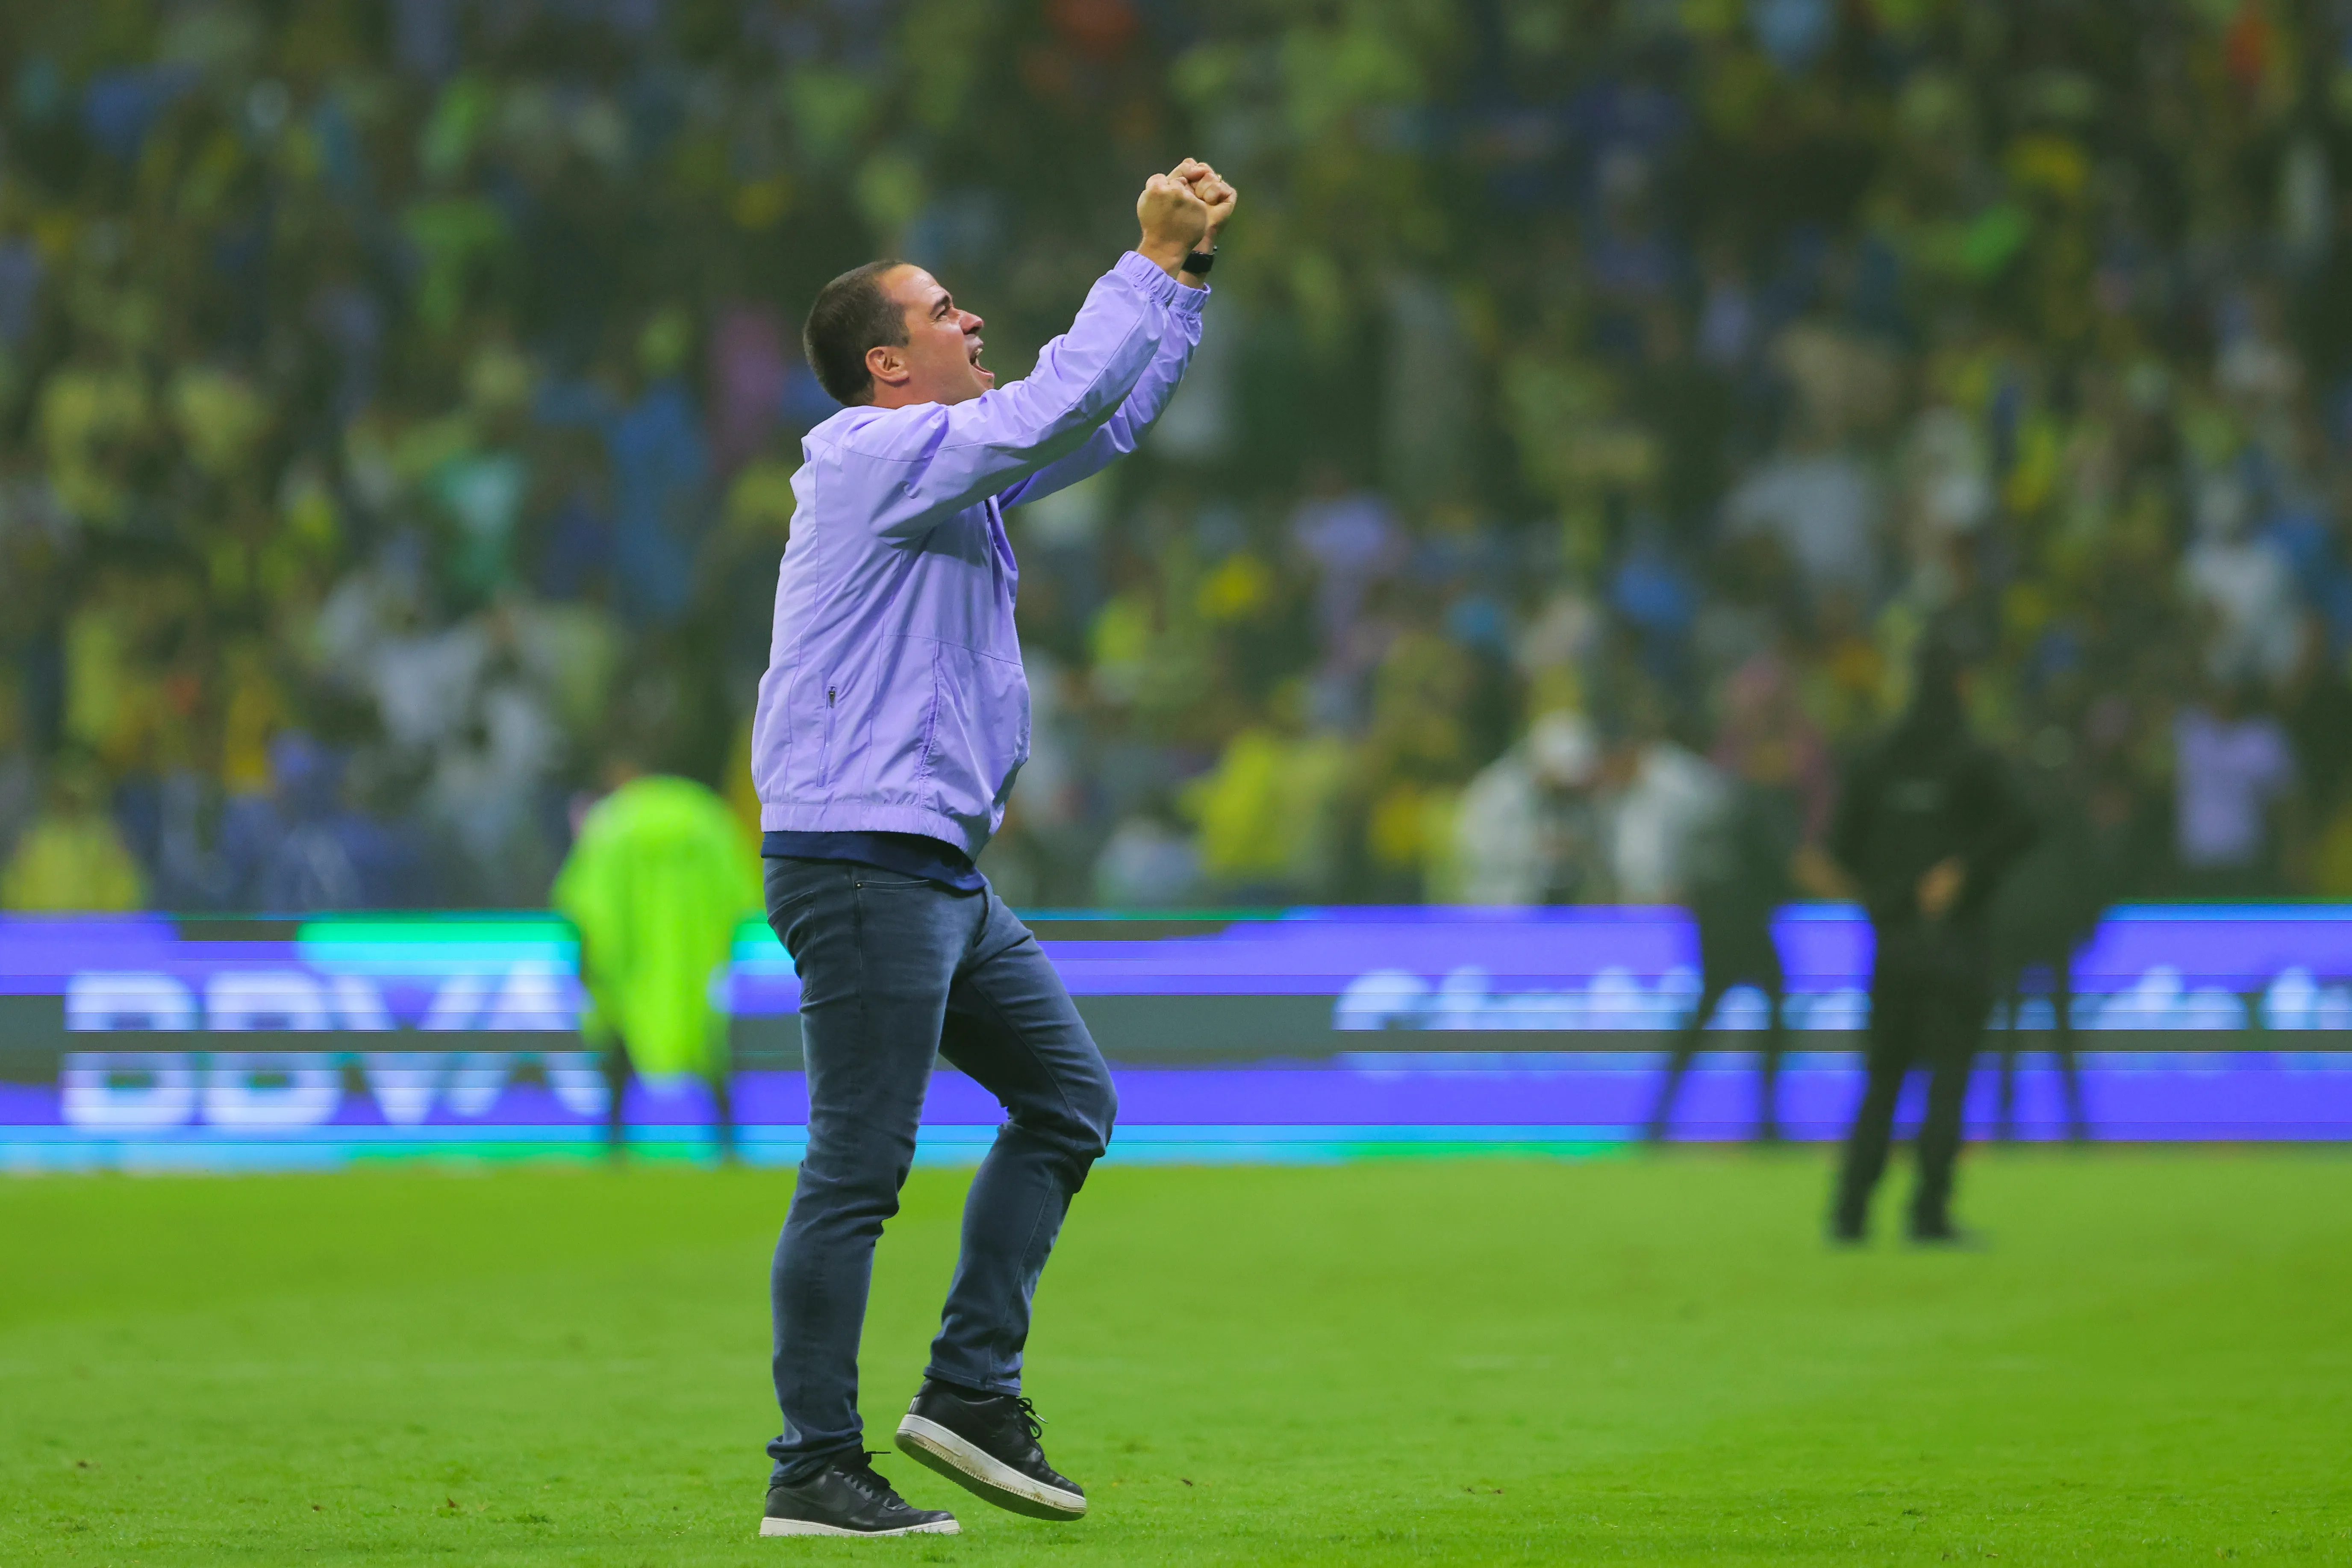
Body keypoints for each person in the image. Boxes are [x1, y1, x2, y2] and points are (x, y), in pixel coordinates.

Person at [745, 160, 1233, 1539]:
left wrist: (1182, 281)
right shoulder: (866, 455)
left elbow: (1103, 417)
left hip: (931, 864)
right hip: (861, 854)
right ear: (886, 365)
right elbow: (1054, 403)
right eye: (944, 309)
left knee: (1068, 1100)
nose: (973, 320)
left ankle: (966, 1387)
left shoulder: (943, 477)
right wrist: (1140, 259)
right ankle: (812, 1464)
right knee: (856, 1165)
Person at [1827, 639, 2035, 1244]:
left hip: (1892, 942)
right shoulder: (1975, 761)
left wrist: (1887, 891)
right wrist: (1963, 871)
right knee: (1947, 1083)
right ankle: (1928, 1212)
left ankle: (1849, 1212)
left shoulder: (1876, 761)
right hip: (1957, 942)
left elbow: (1841, 847)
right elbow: (2023, 825)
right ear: (1963, 685)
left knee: (1882, 1078)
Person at [550, 751, 760, 1161]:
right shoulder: (706, 817)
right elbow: (742, 891)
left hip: (630, 967)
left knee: (621, 1049)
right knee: (708, 1050)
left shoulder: (613, 822)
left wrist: (588, 963)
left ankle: (614, 1143)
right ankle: (728, 1143)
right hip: (694, 966)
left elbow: (582, 901)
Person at [1645, 732, 1835, 1144]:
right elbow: (1796, 862)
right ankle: (1765, 1120)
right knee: (1770, 1009)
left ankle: (1659, 1119)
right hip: (1744, 923)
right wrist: (1852, 893)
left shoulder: (1725, 801)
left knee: (1708, 1015)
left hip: (1715, 924)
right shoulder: (1766, 802)